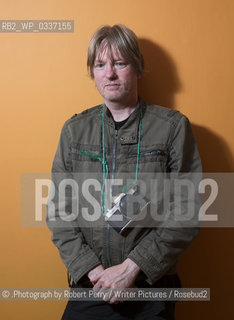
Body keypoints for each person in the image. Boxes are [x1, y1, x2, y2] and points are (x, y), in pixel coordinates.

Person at [47, 24, 202, 319]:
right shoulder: (74, 130)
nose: (110, 73)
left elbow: (189, 210)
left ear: (138, 68)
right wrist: (96, 274)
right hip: (90, 287)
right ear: (93, 73)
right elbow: (58, 212)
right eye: (101, 65)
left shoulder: (172, 127)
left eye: (120, 63)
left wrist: (132, 268)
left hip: (150, 289)